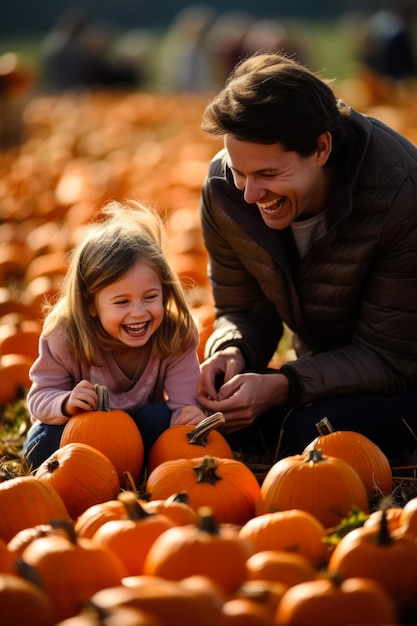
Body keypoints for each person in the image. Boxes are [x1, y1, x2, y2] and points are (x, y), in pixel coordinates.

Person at [197, 51, 417, 464]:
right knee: (208, 415)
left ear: (320, 148)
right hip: (322, 372)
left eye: (267, 175)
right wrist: (231, 350)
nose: (249, 195)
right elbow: (241, 307)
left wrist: (285, 385)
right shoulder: (225, 191)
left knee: (307, 435)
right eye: (240, 171)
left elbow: (391, 357)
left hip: (403, 373)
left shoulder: (400, 194)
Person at [23, 200, 206, 469]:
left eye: (150, 297)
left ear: (165, 291)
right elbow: (39, 398)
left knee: (159, 417)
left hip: (138, 428)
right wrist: (65, 403)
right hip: (79, 433)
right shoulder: (65, 338)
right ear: (90, 305)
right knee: (42, 445)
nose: (139, 312)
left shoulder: (174, 334)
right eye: (122, 302)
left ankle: (132, 463)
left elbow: (184, 402)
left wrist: (188, 414)